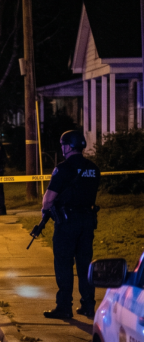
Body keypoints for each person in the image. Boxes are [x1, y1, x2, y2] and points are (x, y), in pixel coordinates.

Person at [41, 130, 100, 319]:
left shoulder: (62, 168)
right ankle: (88, 305)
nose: (62, 148)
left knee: (64, 264)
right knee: (84, 265)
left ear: (68, 146)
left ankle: (64, 307)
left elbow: (48, 200)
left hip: (67, 223)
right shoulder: (93, 168)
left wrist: (45, 210)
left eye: (62, 145)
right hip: (87, 222)